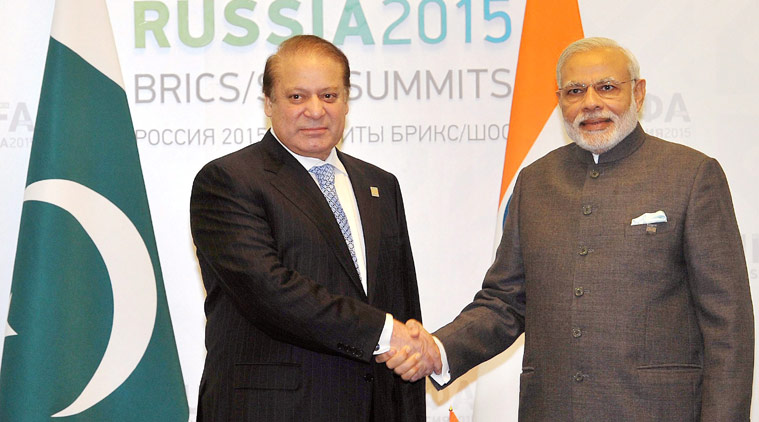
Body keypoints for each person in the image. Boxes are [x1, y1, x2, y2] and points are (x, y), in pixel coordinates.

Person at [380, 37, 754, 421]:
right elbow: (504, 302)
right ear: (560, 101)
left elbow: (728, 325)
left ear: (638, 94)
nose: (590, 102)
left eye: (607, 87)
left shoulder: (691, 175)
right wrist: (438, 350)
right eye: (575, 91)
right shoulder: (536, 182)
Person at [190, 35, 432, 421]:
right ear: (269, 103)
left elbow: (401, 304)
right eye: (297, 97)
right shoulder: (227, 181)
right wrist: (386, 332)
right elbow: (270, 292)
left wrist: (409, 356)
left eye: (329, 95)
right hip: (272, 410)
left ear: (347, 101)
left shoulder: (380, 185)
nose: (315, 111)